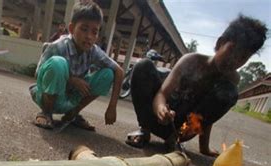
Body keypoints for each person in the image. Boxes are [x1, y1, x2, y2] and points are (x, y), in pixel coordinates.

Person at [125, 15, 267, 156]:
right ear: (220, 44)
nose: (234, 60)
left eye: (242, 57)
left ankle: (174, 140)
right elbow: (162, 94)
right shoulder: (191, 60)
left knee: (229, 93)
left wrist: (204, 148)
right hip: (157, 116)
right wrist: (161, 109)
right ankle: (144, 130)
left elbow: (210, 114)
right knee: (142, 66)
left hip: (180, 128)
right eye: (232, 50)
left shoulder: (231, 80)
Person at [30, 0, 124, 131]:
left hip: (71, 99)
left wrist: (112, 107)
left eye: (94, 32)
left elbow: (119, 71)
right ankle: (46, 113)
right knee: (58, 63)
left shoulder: (93, 50)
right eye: (84, 29)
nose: (89, 36)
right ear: (72, 28)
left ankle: (72, 114)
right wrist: (71, 79)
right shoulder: (58, 46)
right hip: (47, 96)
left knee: (108, 73)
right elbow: (39, 72)